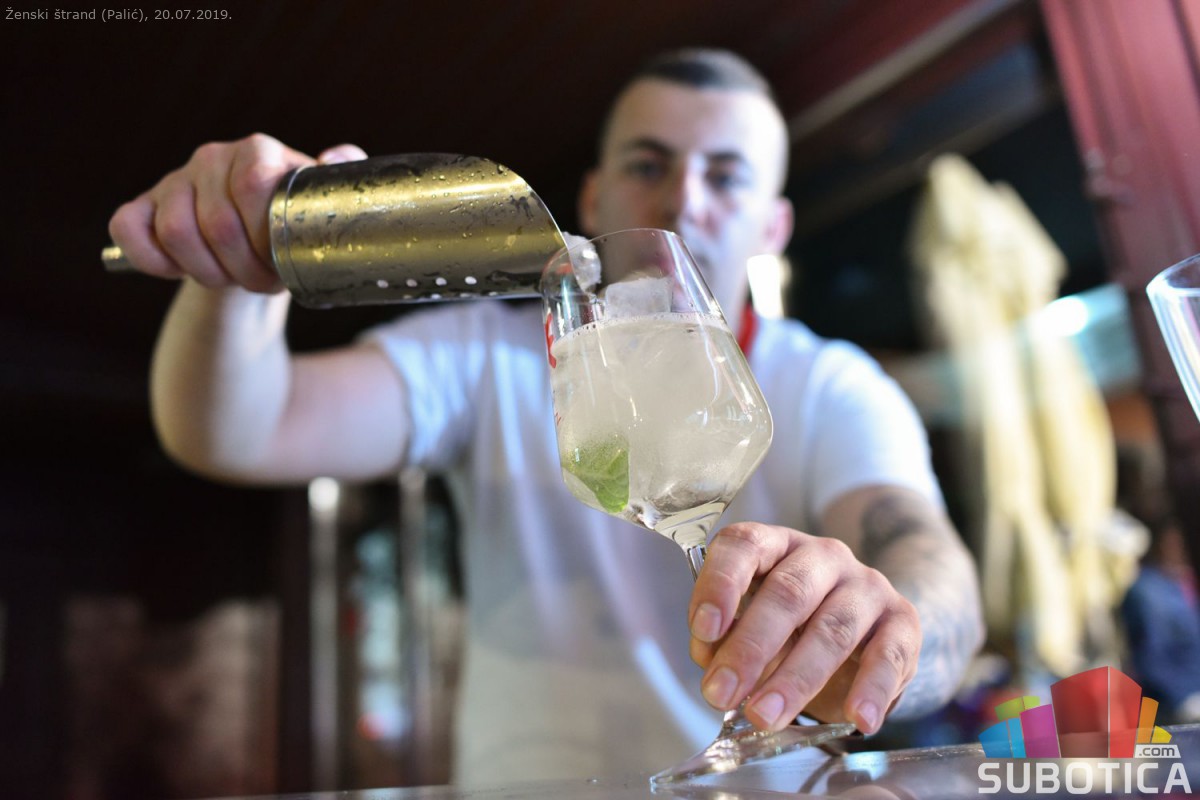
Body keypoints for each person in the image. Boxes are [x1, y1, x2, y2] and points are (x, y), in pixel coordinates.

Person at [109, 48, 984, 784]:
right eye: (649, 165)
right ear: (593, 201)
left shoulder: (829, 384)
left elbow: (931, 566)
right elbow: (240, 432)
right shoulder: (488, 355)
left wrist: (886, 635)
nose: (685, 201)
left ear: (773, 227)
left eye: (726, 175)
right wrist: (235, 274)